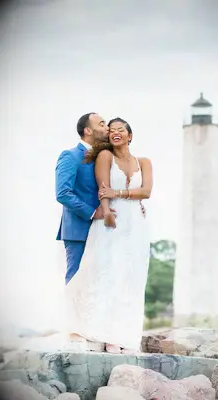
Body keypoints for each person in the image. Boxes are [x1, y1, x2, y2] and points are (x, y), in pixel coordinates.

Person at [66, 117, 153, 354]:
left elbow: (146, 191)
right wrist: (106, 212)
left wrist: (121, 192)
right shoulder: (105, 157)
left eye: (120, 130)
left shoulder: (144, 161)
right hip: (111, 220)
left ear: (130, 135)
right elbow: (103, 189)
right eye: (111, 130)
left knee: (131, 277)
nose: (115, 132)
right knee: (107, 274)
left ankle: (125, 334)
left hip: (136, 224)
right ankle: (105, 335)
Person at [55, 112, 116, 351]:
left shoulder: (105, 157)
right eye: (101, 123)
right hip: (79, 228)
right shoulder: (70, 156)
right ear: (87, 130)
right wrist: (93, 212)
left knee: (99, 281)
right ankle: (74, 331)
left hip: (103, 231)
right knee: (77, 278)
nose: (106, 127)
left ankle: (94, 329)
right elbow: (63, 193)